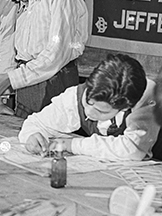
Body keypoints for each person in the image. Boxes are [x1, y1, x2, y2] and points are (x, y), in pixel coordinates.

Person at [19, 53, 160, 161]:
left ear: (124, 108)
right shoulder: (78, 94)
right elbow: (35, 123)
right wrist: (31, 136)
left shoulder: (147, 98)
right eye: (88, 102)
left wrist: (70, 145)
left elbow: (132, 149)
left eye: (101, 111)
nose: (89, 112)